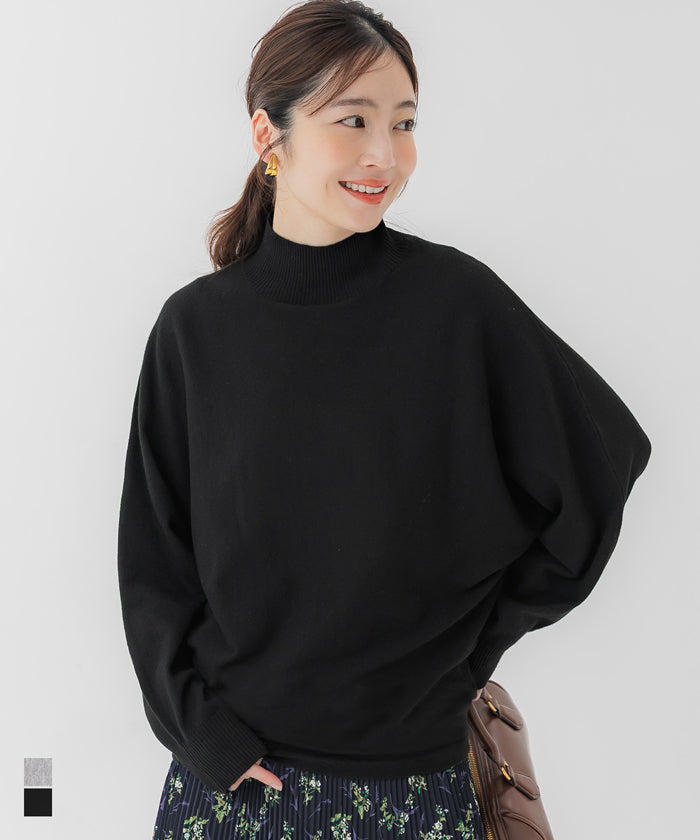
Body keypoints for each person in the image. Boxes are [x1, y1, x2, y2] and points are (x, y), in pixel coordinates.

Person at [116, 1, 652, 838]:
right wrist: (203, 734)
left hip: (414, 794)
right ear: (268, 135)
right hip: (235, 791)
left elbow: (602, 461)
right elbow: (154, 568)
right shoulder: (196, 331)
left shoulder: (456, 305)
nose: (386, 155)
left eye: (404, 123)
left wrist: (469, 654)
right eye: (353, 119)